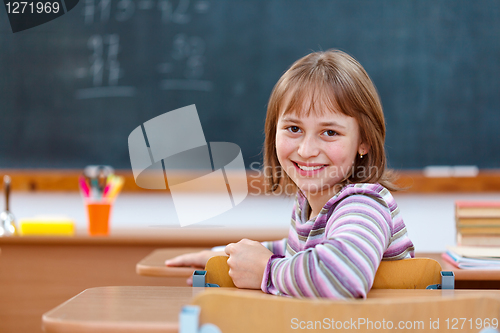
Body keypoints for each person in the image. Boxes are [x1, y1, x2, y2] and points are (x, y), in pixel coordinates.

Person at [166, 49, 415, 299]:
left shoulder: (364, 204)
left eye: (329, 132)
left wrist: (266, 269)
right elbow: (295, 250)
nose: (306, 150)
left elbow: (343, 277)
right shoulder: (309, 204)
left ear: (364, 142)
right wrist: (226, 257)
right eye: (294, 128)